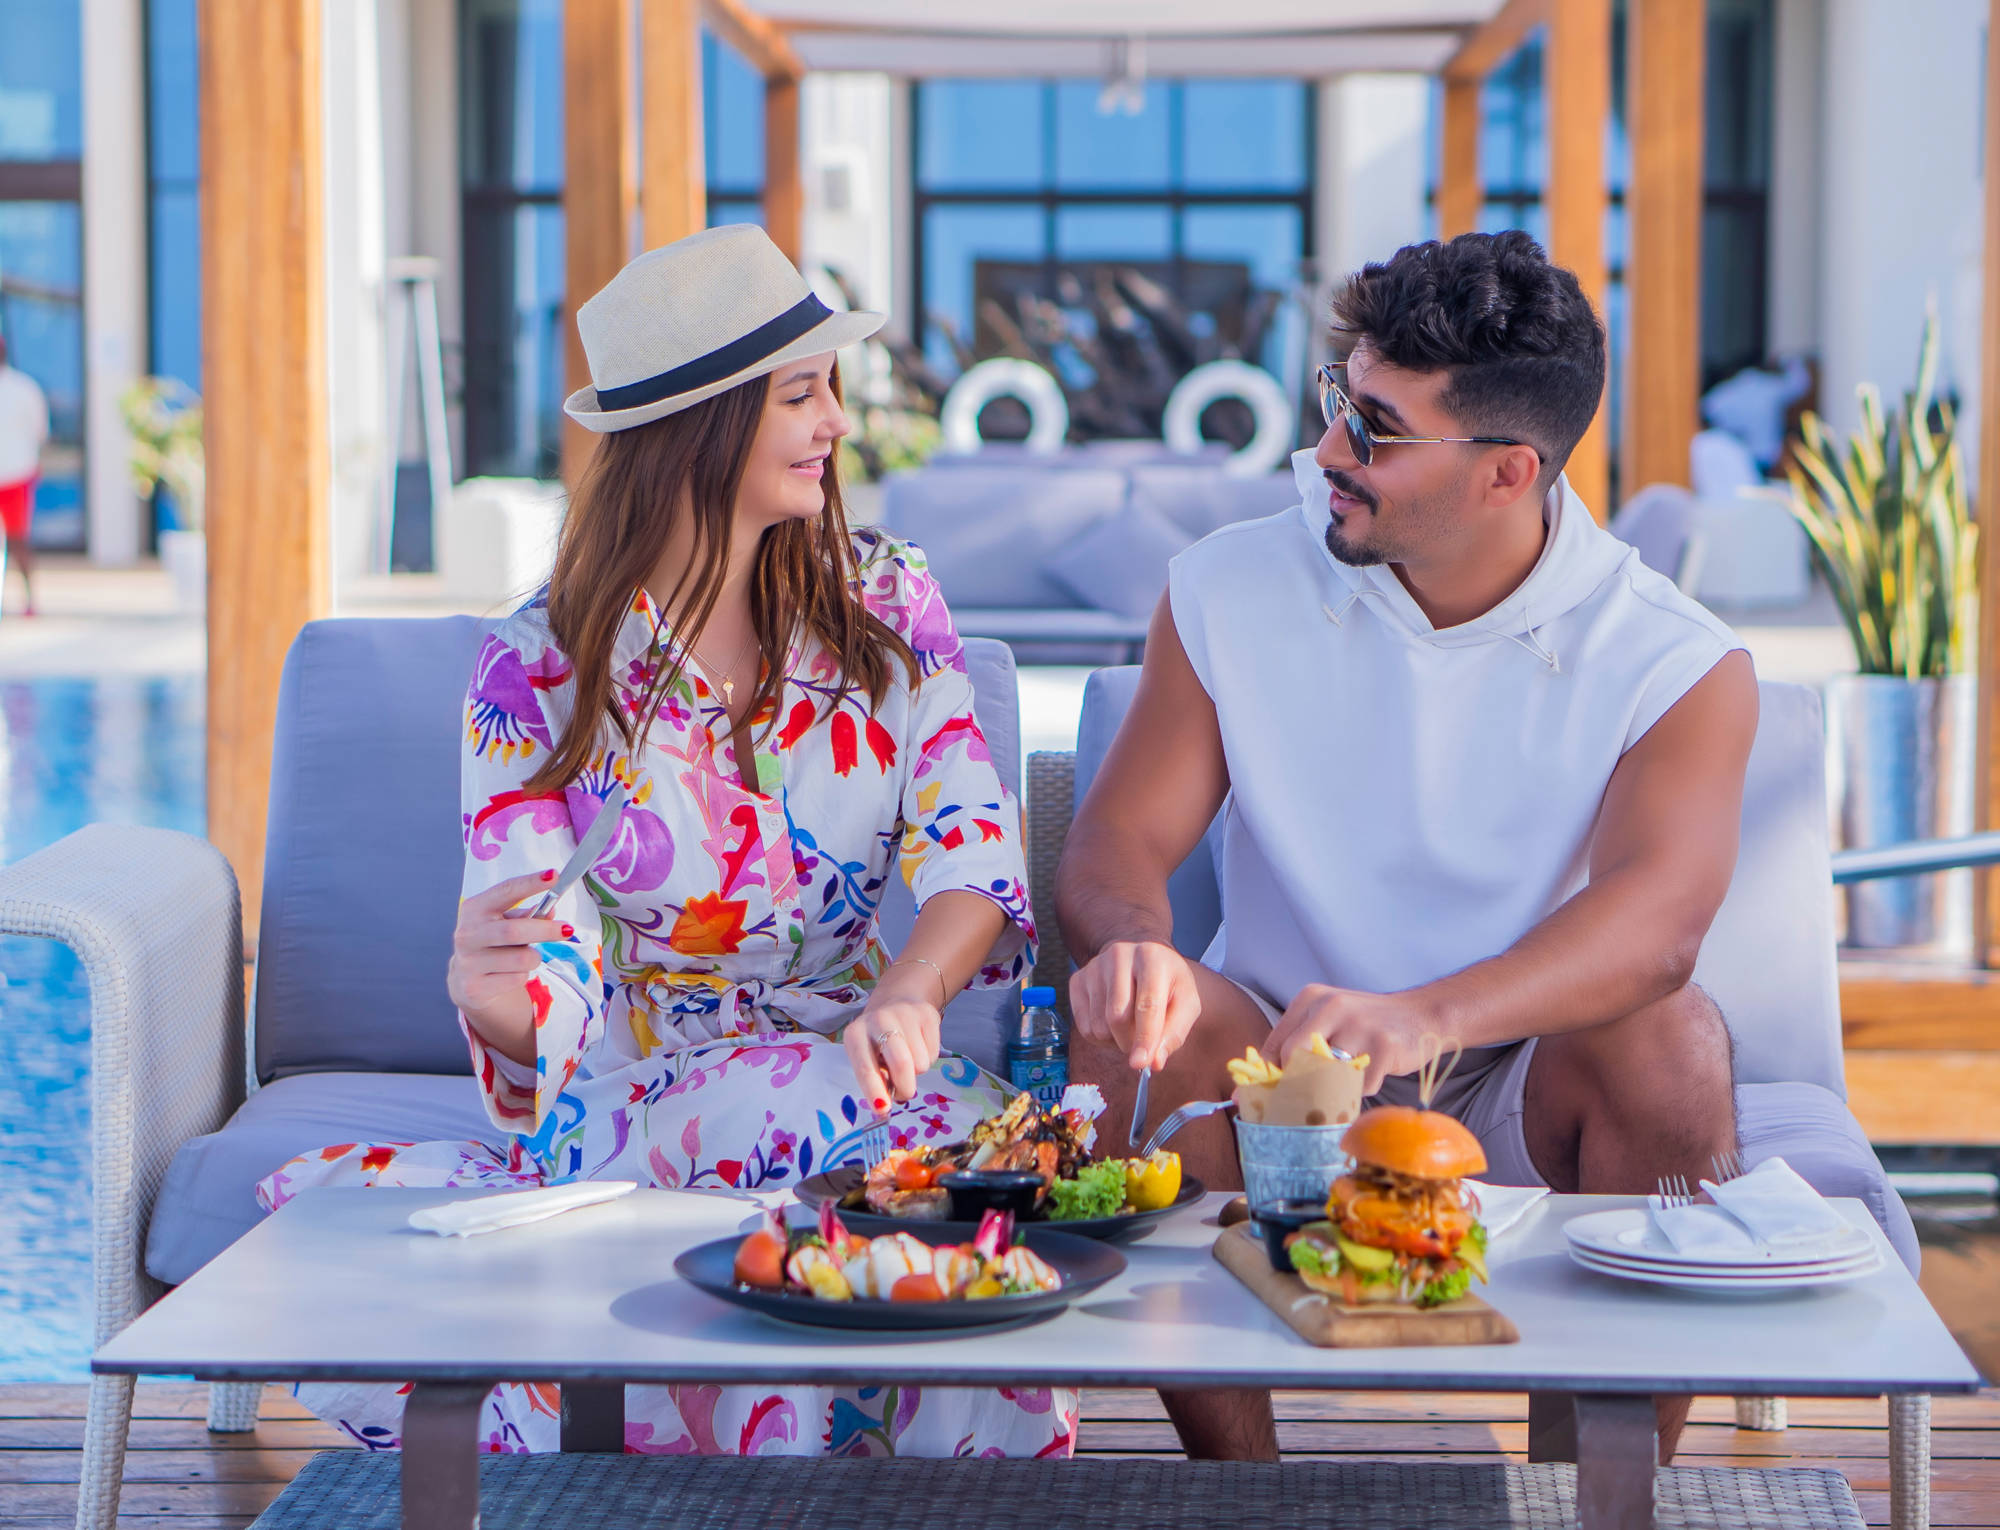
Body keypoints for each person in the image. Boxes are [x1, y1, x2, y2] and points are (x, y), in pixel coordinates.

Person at [257, 226, 1070, 1459]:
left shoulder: (887, 600)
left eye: (829, 390)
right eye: (801, 395)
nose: (836, 424)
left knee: (959, 1186)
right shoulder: (534, 665)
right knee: (857, 1155)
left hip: (857, 1078)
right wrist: (497, 1006)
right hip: (637, 1096)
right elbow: (551, 949)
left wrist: (907, 992)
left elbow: (974, 849)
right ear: (701, 430)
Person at [1055, 231, 1755, 1463]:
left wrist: (1425, 1014)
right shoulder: (1230, 584)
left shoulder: (1671, 656)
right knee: (1134, 1015)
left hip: (1517, 1065)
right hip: (1269, 1052)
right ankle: (1243, 1490)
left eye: (1374, 429)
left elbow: (1660, 925)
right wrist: (1135, 945)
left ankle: (1585, 1489)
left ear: (1506, 473)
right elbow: (1117, 833)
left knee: (1674, 1040)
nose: (1326, 451)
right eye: (1338, 399)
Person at [0, 334, 49, 616]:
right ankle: (29, 601)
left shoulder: (23, 389)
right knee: (19, 541)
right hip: (19, 473)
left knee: (18, 541)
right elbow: (41, 433)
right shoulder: (26, 389)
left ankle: (28, 600)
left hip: (17, 474)